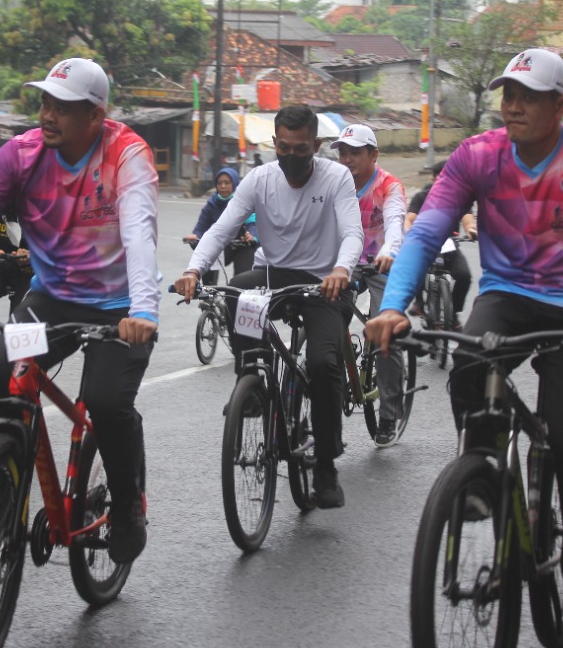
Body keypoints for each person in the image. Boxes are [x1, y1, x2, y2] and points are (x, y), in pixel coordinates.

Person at [366, 48, 563, 648]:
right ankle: (484, 468)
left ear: (561, 105)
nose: (513, 106)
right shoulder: (478, 155)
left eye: (529, 96)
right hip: (509, 294)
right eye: (507, 94)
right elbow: (428, 231)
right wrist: (393, 304)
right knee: (468, 359)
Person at [0, 58, 158, 564]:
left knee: (108, 404)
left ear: (94, 115)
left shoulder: (126, 153)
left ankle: (129, 505)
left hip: (121, 307)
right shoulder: (19, 155)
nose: (47, 114)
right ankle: (3, 496)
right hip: (51, 300)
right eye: (44, 102)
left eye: (62, 107)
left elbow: (139, 230)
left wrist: (144, 311)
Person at [174, 107, 363, 508]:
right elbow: (222, 228)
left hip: (325, 283)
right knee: (234, 294)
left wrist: (342, 269)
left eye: (301, 149)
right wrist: (194, 269)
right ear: (274, 144)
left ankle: (326, 465)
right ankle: (253, 384)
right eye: (284, 147)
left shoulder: (337, 178)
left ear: (316, 146)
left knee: (322, 364)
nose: (292, 156)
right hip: (275, 275)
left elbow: (352, 232)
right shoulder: (260, 180)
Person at [330, 123, 408, 447]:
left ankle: (390, 412)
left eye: (355, 153)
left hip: (380, 265)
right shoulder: (334, 183)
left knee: (384, 332)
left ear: (373, 154)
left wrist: (390, 250)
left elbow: (394, 221)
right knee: (324, 325)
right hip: (344, 267)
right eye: (343, 152)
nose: (347, 159)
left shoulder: (389, 186)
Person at [404, 159, 476, 325]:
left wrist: (471, 228)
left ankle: (454, 313)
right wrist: (408, 231)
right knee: (417, 269)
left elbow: (467, 217)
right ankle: (419, 303)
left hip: (449, 246)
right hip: (425, 245)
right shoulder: (422, 197)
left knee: (465, 276)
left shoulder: (460, 197)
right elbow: (410, 218)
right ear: (433, 179)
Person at [184, 167, 257, 285]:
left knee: (241, 281)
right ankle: (209, 297)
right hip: (222, 247)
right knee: (207, 255)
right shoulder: (211, 204)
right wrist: (195, 236)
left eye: (227, 183)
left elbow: (252, 224)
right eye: (219, 183)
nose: (223, 186)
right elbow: (201, 228)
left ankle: (238, 298)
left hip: (242, 246)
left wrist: (252, 236)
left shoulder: (243, 202)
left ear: (234, 184)